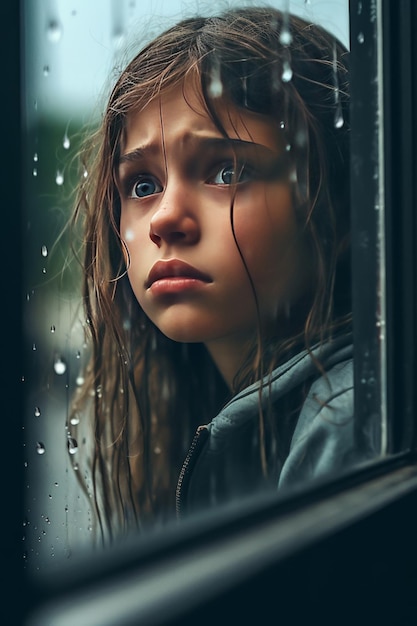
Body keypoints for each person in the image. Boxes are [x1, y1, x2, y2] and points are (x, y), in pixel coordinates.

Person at [68, 5, 377, 545]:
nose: (165, 218)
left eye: (227, 171)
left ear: (339, 209)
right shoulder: (199, 414)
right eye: (142, 185)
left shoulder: (349, 422)